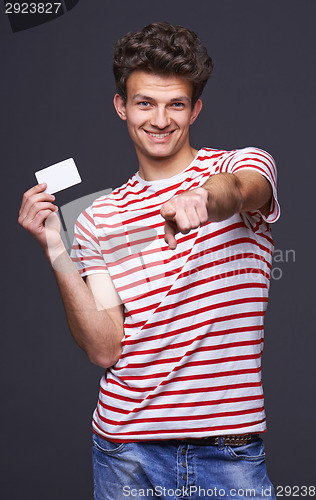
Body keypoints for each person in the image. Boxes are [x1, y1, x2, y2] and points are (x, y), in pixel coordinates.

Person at [18, 22, 280, 500]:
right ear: (122, 107)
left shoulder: (239, 167)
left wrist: (204, 198)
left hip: (228, 452)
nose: (160, 120)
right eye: (145, 103)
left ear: (195, 109)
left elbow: (243, 191)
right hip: (125, 451)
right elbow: (104, 347)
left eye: (175, 104)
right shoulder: (97, 217)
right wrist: (56, 249)